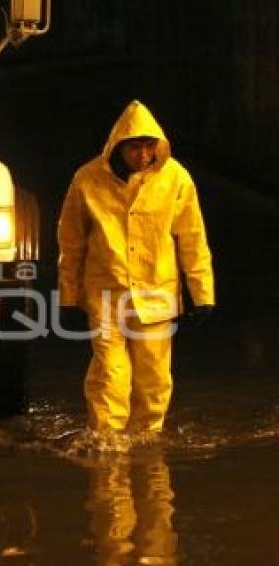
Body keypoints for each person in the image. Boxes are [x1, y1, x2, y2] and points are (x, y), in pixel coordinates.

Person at [57, 100, 215, 434]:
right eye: (135, 148)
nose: (143, 156)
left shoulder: (175, 179)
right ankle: (107, 445)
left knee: (154, 380)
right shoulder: (87, 180)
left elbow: (192, 238)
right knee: (109, 375)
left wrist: (203, 294)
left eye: (149, 147)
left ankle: (147, 443)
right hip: (106, 295)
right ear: (118, 146)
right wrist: (68, 297)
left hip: (156, 293)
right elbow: (71, 243)